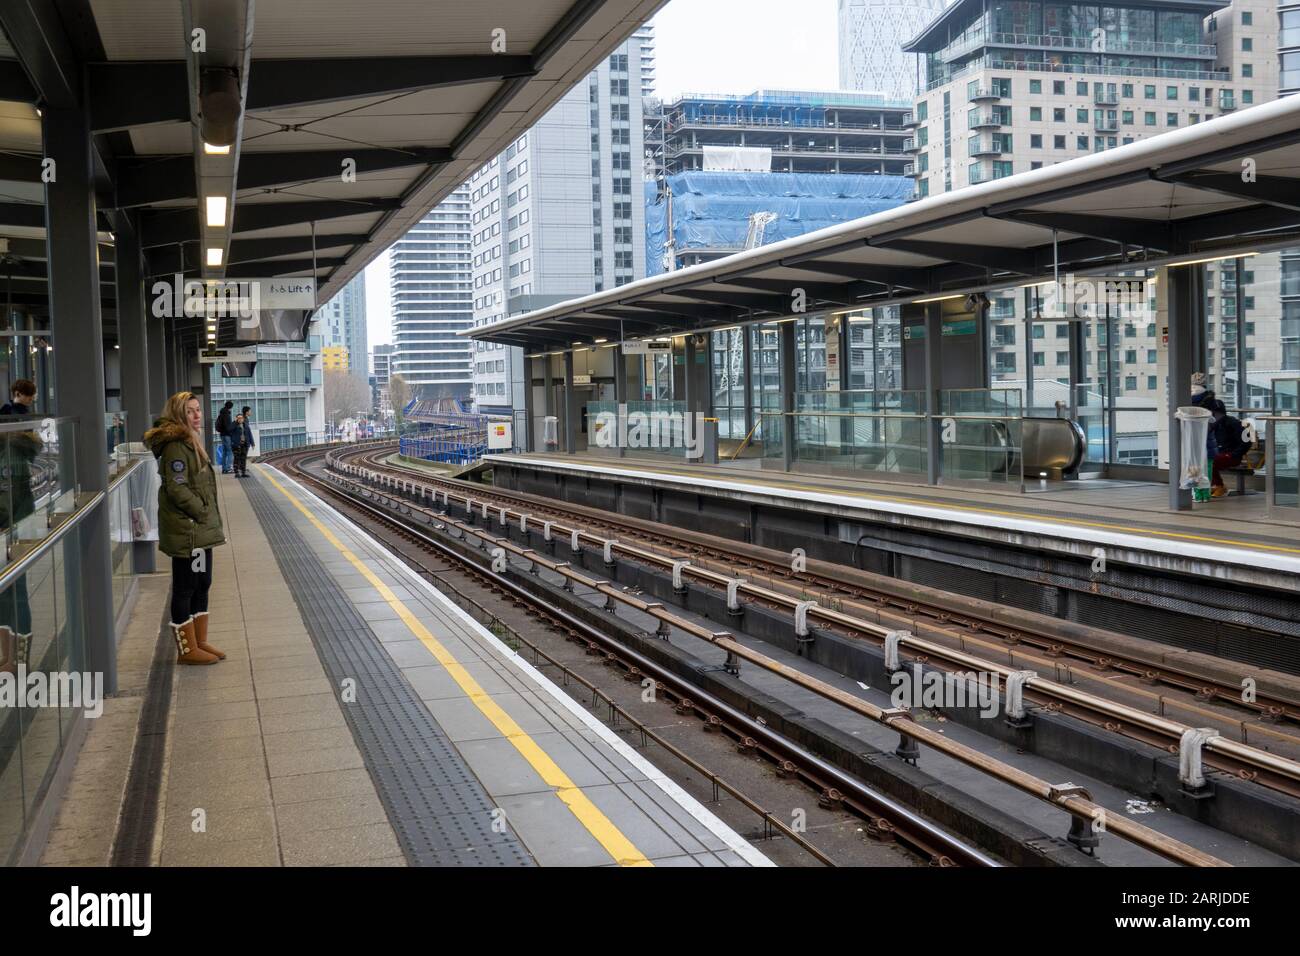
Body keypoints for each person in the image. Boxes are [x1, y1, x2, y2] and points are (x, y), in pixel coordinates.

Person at [144, 392, 227, 664]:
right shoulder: (176, 447)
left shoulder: (192, 442)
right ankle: (186, 650)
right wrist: (201, 511)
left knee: (203, 582)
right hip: (188, 532)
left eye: (198, 410)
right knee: (185, 587)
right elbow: (177, 489)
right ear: (179, 415)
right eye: (190, 411)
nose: (197, 415)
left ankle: (199, 641)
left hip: (199, 533)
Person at [1208, 399, 1250, 498]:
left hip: (1231, 456)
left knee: (1210, 461)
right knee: (1205, 460)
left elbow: (1246, 441)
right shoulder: (1212, 425)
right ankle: (1214, 485)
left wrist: (1235, 454)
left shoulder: (1233, 423)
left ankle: (1219, 486)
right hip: (1220, 454)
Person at [231, 410, 255, 477]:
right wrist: (234, 422)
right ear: (236, 419)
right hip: (236, 445)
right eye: (238, 418)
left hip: (244, 444)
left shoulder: (246, 426)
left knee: (243, 459)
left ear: (243, 419)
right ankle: (236, 473)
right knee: (236, 459)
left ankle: (243, 473)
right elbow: (229, 429)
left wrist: (252, 443)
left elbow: (250, 434)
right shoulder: (234, 425)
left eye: (241, 418)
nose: (240, 419)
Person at [215, 400, 234, 474]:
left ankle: (224, 468)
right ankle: (228, 468)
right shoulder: (226, 414)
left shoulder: (221, 413)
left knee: (225, 452)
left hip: (222, 435)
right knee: (230, 452)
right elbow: (228, 426)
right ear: (230, 407)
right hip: (227, 435)